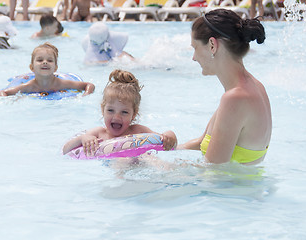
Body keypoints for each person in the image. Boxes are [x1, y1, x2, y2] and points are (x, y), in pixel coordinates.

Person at [177, 9, 271, 165]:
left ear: (212, 45)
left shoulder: (235, 98)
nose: (193, 58)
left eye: (195, 48)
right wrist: (161, 149)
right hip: (243, 186)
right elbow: (202, 142)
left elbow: (213, 170)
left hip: (230, 188)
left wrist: (157, 165)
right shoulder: (254, 86)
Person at [62, 69, 177, 156]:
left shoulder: (138, 131)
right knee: (121, 162)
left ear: (134, 114)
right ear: (103, 111)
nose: (116, 117)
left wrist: (170, 135)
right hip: (117, 167)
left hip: (143, 163)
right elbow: (65, 150)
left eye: (124, 112)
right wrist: (82, 139)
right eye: (110, 110)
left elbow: (163, 140)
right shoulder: (99, 133)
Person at [0, 42, 95, 97]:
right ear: (32, 68)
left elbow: (89, 85)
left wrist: (85, 96)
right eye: (39, 60)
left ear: (55, 68)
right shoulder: (29, 86)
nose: (45, 62)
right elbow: (2, 92)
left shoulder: (61, 84)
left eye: (50, 60)